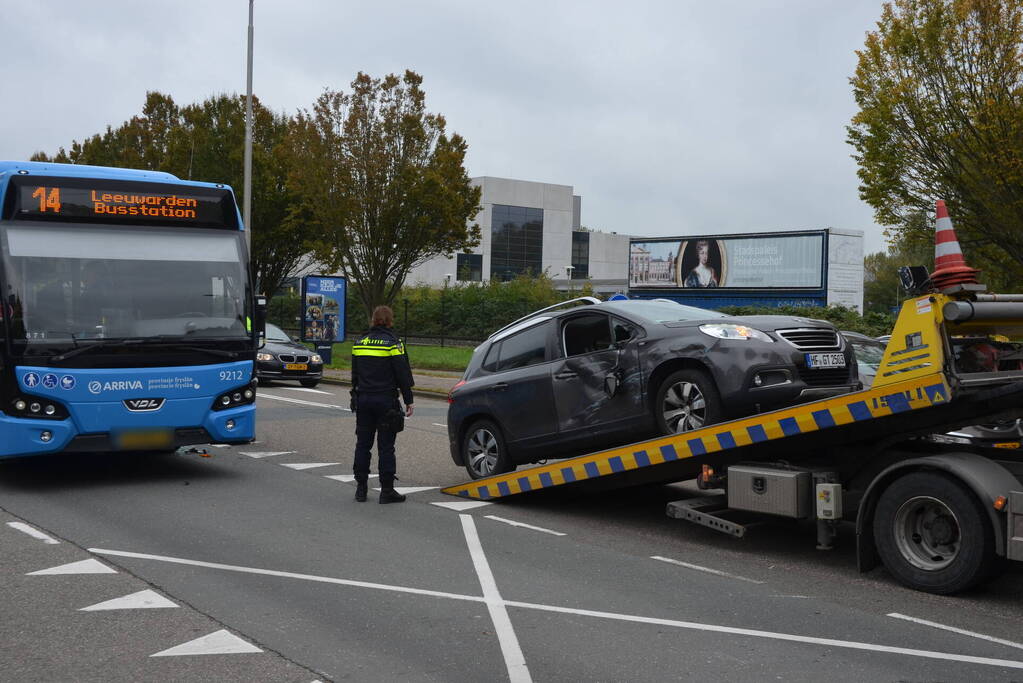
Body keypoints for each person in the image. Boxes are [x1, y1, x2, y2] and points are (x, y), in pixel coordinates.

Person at [350, 305, 415, 503]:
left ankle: (361, 489)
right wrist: (408, 400)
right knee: (386, 447)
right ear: (390, 320)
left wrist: (356, 395)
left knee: (363, 445)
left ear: (373, 320)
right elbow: (402, 374)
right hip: (385, 401)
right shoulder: (394, 343)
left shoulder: (359, 342)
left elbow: (355, 375)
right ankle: (386, 491)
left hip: (363, 399)